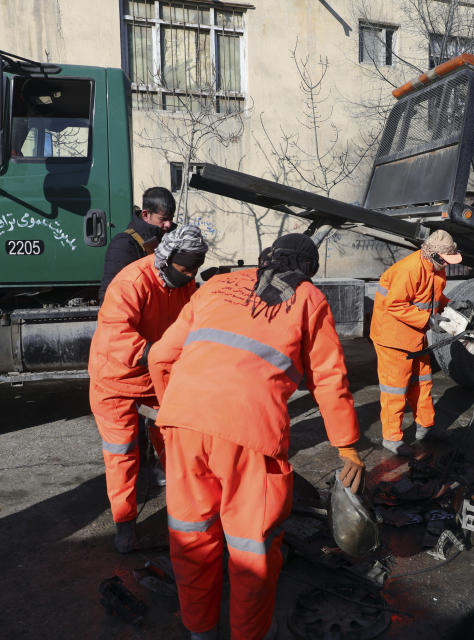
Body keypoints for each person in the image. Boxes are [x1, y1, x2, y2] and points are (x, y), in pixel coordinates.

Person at [148, 233, 364, 640]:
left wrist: (173, 415)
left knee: (192, 538)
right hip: (248, 433)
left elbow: (160, 356)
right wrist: (348, 447)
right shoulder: (308, 297)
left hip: (183, 423)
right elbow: (329, 378)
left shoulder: (214, 284)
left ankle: (200, 632)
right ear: (307, 270)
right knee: (252, 550)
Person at [88, 224, 208, 553]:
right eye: (185, 269)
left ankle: (189, 510)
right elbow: (115, 335)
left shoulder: (186, 285)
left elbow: (193, 323)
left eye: (194, 271)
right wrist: (156, 354)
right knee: (122, 453)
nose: (189, 276)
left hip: (155, 376)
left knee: (177, 441)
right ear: (167, 259)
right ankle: (124, 525)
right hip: (115, 377)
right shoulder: (131, 281)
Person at [369, 229, 462, 454]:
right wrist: (430, 320)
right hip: (393, 338)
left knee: (422, 383)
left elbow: (433, 297)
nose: (448, 264)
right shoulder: (408, 270)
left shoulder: (436, 270)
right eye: (446, 260)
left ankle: (426, 428)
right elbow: (395, 305)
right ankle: (391, 439)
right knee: (395, 389)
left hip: (415, 335)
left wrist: (452, 306)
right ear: (435, 255)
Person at [99, 186, 178, 302]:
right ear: (145, 215)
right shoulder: (124, 244)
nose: (168, 224)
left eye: (171, 218)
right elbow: (111, 294)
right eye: (163, 219)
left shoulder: (170, 239)